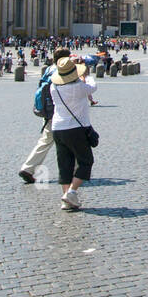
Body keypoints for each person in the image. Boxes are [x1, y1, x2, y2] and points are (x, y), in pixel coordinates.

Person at [48, 55, 98, 211]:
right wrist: (87, 76)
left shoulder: (53, 87)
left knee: (65, 164)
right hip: (75, 129)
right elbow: (93, 87)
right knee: (86, 161)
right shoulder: (79, 87)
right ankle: (71, 191)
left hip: (57, 128)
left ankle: (67, 200)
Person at [19, 47, 72, 183]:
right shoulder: (63, 71)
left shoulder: (49, 69)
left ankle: (28, 168)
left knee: (45, 142)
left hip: (48, 110)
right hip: (61, 112)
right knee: (74, 141)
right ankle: (75, 173)